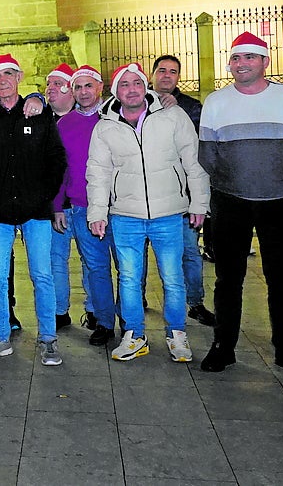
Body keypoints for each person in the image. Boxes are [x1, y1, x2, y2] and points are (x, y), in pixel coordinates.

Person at [199, 32, 283, 377]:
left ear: (265, 61)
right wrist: (233, 181)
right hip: (230, 202)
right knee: (227, 279)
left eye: (249, 57)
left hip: (279, 203)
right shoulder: (216, 102)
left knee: (282, 278)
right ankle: (223, 346)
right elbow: (207, 155)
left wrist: (278, 178)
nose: (242, 64)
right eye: (236, 58)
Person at [87, 63, 210, 363]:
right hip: (125, 215)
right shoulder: (105, 126)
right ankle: (135, 335)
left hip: (168, 214)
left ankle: (176, 333)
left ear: (145, 86)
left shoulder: (173, 115)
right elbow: (98, 172)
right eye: (124, 84)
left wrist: (199, 203)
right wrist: (97, 213)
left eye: (136, 83)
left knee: (173, 277)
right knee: (129, 278)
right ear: (116, 91)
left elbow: (194, 161)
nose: (131, 89)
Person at [0, 54, 65, 366]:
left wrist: (42, 196)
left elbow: (56, 160)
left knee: (42, 275)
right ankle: (0, 337)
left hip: (36, 211)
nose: (3, 80)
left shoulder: (38, 115)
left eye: (9, 74)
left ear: (19, 77)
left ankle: (48, 339)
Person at [150, 55, 217, 325]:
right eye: (162, 70)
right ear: (152, 74)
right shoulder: (135, 102)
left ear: (179, 77)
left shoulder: (191, 107)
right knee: (137, 255)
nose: (167, 75)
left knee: (189, 251)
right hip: (142, 197)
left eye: (173, 71)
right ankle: (136, 299)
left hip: (182, 197)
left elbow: (199, 151)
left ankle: (195, 302)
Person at [52, 65, 116, 346]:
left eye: (88, 86)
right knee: (96, 268)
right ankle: (104, 322)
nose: (83, 92)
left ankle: (131, 323)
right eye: (78, 87)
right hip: (82, 208)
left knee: (128, 270)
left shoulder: (115, 117)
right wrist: (57, 205)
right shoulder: (65, 124)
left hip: (121, 208)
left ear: (100, 87)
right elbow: (61, 169)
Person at [44, 64, 77, 329]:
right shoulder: (41, 119)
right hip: (55, 204)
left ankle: (95, 311)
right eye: (48, 84)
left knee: (93, 262)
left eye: (57, 83)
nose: (50, 88)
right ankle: (59, 310)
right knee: (56, 260)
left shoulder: (90, 117)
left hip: (84, 202)